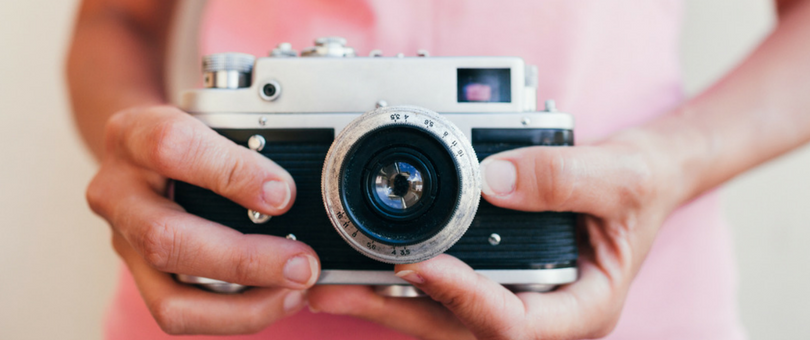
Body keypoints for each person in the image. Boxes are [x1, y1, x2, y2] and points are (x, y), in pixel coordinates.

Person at [67, 0, 810, 339]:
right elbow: (116, 19)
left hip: (627, 287)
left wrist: (663, 167)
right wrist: (150, 158)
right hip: (226, 301)